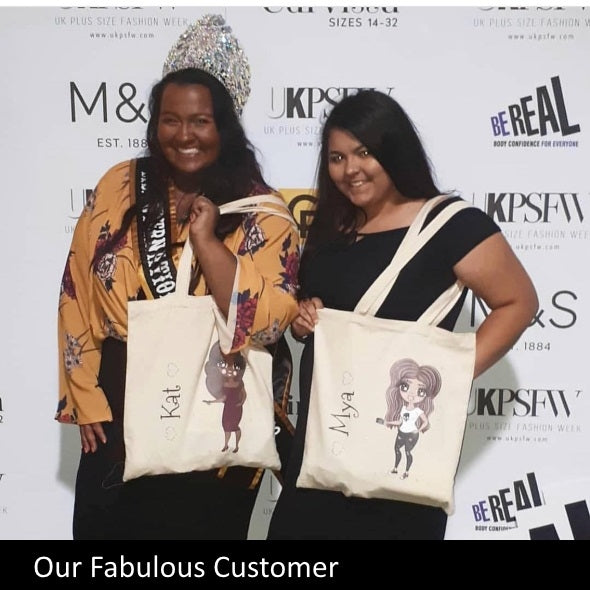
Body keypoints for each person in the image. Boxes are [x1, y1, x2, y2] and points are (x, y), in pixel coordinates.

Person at [56, 14, 299, 540]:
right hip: (118, 418)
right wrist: (84, 395)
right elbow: (77, 291)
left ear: (224, 127)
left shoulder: (263, 213)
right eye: (170, 120)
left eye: (200, 121)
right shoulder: (119, 186)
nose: (184, 135)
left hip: (215, 423)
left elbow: (268, 322)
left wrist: (208, 243)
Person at [267, 89, 538, 540]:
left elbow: (520, 302)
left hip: (397, 458)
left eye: (364, 152)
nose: (350, 169)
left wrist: (446, 376)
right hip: (322, 447)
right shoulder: (331, 229)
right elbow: (316, 309)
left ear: (394, 150)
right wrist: (304, 318)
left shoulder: (450, 225)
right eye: (337, 157)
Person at [203, 342, 247, 454]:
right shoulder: (224, 384)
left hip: (236, 408)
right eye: (225, 367)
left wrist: (241, 402)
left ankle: (237, 446)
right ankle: (226, 445)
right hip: (228, 408)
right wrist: (211, 401)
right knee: (226, 426)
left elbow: (244, 394)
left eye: (234, 367)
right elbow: (223, 398)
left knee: (235, 426)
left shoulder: (239, 383)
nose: (230, 370)